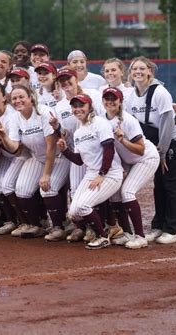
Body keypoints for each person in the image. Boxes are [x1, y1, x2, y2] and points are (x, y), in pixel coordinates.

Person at [0, 85, 70, 241]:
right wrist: (4, 137)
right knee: (22, 190)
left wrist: (46, 174)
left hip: (58, 157)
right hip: (37, 157)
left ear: (30, 97)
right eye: (14, 98)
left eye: (21, 97)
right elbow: (15, 148)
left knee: (47, 188)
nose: (18, 101)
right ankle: (37, 225)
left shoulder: (43, 112)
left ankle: (59, 226)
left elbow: (51, 146)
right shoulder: (16, 117)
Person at [125, 56, 176, 244]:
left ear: (150, 71)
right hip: (155, 143)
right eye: (134, 69)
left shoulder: (159, 92)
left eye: (142, 68)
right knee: (159, 183)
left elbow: (167, 123)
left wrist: (163, 152)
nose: (138, 72)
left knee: (170, 183)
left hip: (173, 139)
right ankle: (158, 225)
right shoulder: (131, 95)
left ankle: (172, 229)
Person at [58, 94, 123, 249]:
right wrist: (65, 151)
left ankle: (102, 236)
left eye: (81, 105)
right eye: (74, 106)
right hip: (91, 173)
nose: (78, 109)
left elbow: (109, 149)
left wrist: (102, 174)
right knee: (74, 212)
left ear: (90, 107)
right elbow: (80, 160)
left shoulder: (100, 123)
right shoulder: (79, 131)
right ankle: (100, 229)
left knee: (83, 206)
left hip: (110, 173)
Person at [102, 87, 159, 249]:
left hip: (146, 158)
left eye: (114, 98)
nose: (110, 101)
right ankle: (126, 233)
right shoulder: (103, 120)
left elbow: (140, 149)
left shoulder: (127, 120)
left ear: (120, 102)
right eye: (107, 98)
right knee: (114, 194)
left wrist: (122, 140)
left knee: (127, 192)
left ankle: (140, 236)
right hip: (128, 160)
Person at [0, 83, 27, 235]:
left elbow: (16, 149)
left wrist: (1, 141)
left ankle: (24, 221)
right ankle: (11, 221)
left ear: (4, 97)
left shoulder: (12, 116)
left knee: (7, 186)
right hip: (6, 155)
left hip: (20, 155)